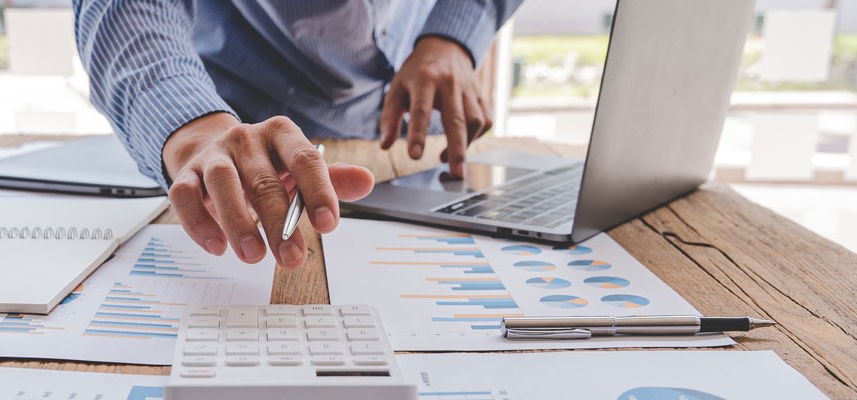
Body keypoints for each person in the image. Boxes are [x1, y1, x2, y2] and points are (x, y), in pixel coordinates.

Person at [74, 0, 522, 270]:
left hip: (421, 134)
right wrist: (193, 128)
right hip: (243, 133)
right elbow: (125, 12)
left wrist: (453, 36)